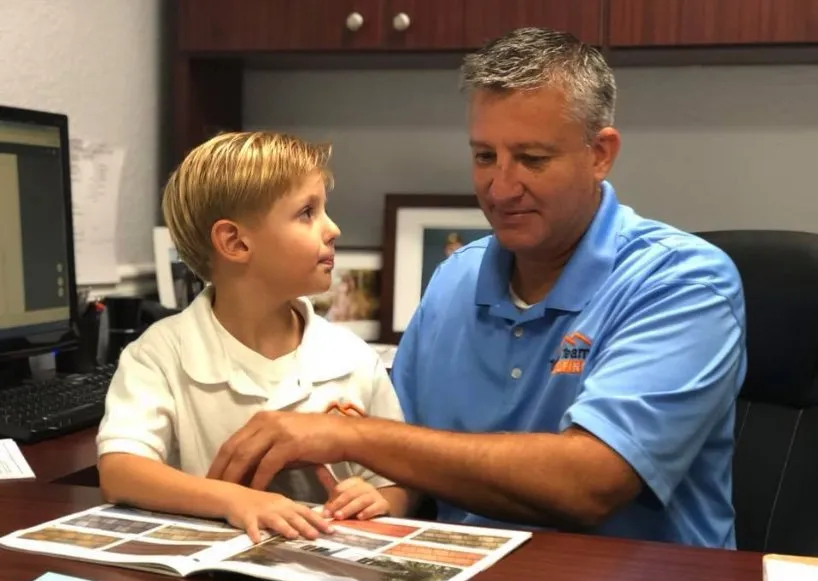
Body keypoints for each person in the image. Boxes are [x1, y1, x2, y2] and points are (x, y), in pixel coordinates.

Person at [205, 28, 747, 549]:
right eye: (485, 156)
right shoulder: (456, 278)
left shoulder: (683, 282)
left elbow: (591, 483)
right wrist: (375, 495)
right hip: (457, 577)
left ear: (600, 153)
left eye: (532, 159)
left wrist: (349, 437)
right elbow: (408, 460)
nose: (501, 187)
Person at [96, 132, 414, 543]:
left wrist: (381, 499)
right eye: (307, 213)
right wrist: (234, 500)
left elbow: (403, 479)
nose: (333, 229)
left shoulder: (353, 358)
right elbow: (122, 470)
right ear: (235, 242)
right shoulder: (160, 353)